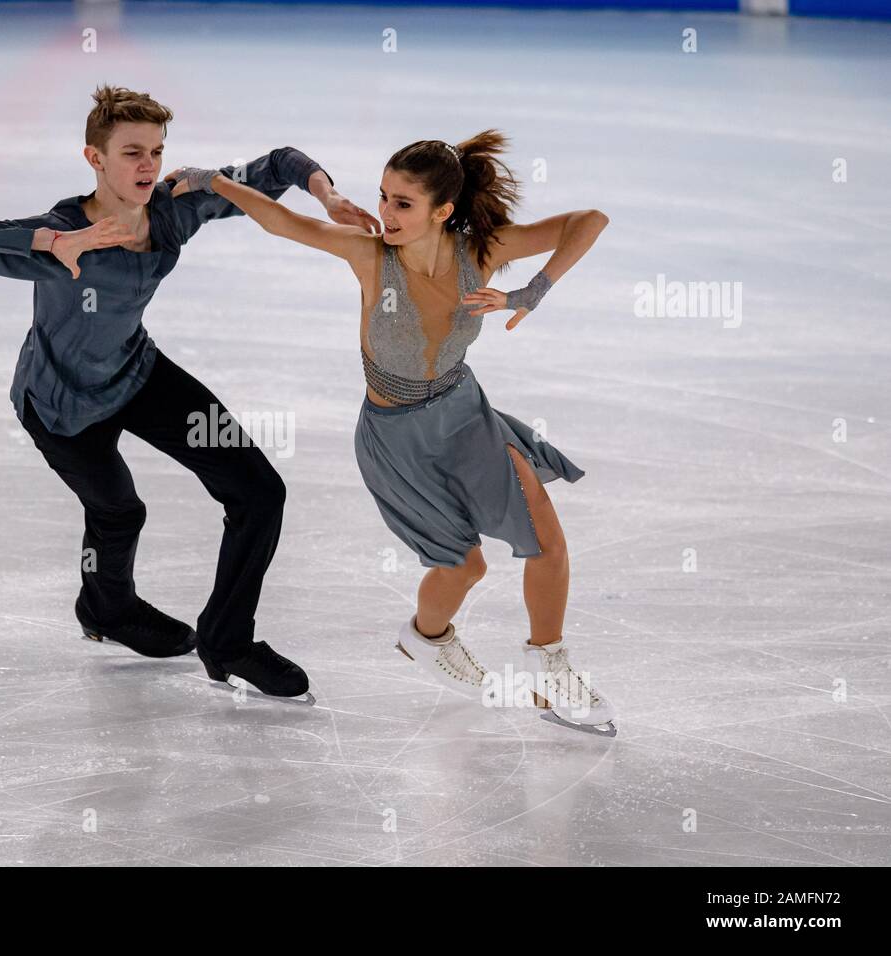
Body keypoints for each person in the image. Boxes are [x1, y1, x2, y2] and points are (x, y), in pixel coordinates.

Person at [0, 85, 376, 702]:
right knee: (118, 512)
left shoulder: (173, 209)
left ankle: (228, 641)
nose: (147, 166)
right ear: (94, 159)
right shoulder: (60, 234)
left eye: (156, 152)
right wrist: (51, 243)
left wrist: (328, 194)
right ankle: (107, 610)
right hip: (61, 403)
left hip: (137, 374)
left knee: (259, 492)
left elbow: (280, 163)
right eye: (131, 152)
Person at [162, 131, 617, 734]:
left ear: (442, 210)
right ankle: (427, 639)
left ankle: (553, 667)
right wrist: (214, 181)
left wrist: (532, 291)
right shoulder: (370, 255)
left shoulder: (479, 252)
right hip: (396, 438)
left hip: (464, 414)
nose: (386, 212)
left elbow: (589, 220)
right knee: (464, 568)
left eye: (403, 203)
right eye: (384, 197)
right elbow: (282, 222)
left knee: (546, 536)